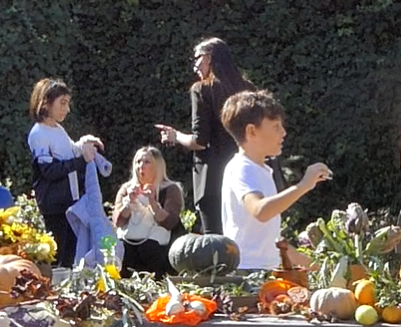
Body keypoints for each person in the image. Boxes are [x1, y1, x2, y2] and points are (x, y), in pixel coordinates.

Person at [220, 89, 331, 270]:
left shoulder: (261, 170)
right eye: (276, 126)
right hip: (247, 272)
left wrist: (318, 267)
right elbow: (260, 211)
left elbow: (271, 241)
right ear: (251, 131)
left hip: (264, 270)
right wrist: (304, 185)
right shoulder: (242, 168)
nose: (283, 132)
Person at [156, 38, 255, 235]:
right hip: (247, 174)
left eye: (197, 59)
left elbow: (200, 141)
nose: (195, 66)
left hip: (213, 178)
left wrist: (175, 136)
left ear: (209, 58)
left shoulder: (202, 89)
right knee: (246, 236)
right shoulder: (249, 90)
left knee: (216, 240)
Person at [27, 78, 103, 268]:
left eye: (67, 103)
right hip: (54, 205)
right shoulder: (38, 133)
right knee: (59, 253)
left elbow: (69, 152)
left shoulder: (58, 129)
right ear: (46, 102)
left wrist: (84, 144)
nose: (67, 109)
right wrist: (81, 160)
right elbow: (49, 170)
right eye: (62, 103)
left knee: (71, 251)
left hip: (70, 202)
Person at [112, 146, 186, 278]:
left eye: (147, 162)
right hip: (130, 244)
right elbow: (118, 222)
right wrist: (129, 202)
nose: (141, 166)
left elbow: (170, 222)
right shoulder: (126, 189)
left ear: (158, 166)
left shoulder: (171, 189)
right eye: (138, 161)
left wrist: (152, 202)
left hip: (157, 248)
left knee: (149, 249)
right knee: (122, 251)